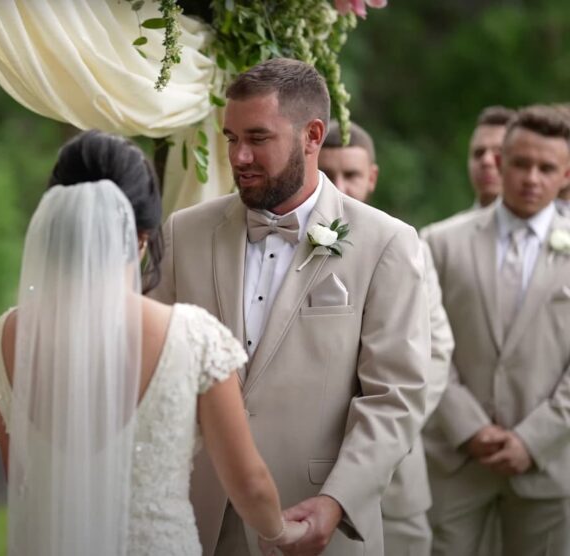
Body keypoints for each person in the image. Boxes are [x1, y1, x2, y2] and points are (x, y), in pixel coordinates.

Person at [0, 130, 308, 555]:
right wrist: (281, 532)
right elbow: (249, 483)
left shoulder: (4, 338)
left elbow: (19, 477)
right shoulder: (191, 337)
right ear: (142, 236)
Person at [150, 58, 431, 555]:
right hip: (198, 518)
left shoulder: (386, 243)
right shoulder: (185, 232)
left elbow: (395, 397)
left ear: (312, 135)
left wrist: (337, 501)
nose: (238, 157)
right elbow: (149, 365)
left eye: (258, 138)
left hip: (317, 519)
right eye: (231, 137)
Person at [421, 105, 570, 555]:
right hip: (456, 457)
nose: (531, 178)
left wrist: (533, 438)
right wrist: (467, 425)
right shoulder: (439, 242)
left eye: (546, 168)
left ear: (566, 174)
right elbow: (422, 343)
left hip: (549, 462)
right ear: (499, 163)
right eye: (521, 163)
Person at [320, 121, 453, 556]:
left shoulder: (407, 247)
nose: (341, 187)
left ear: (372, 177)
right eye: (329, 174)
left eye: (352, 175)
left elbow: (435, 351)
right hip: (303, 471)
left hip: (396, 478)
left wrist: (390, 428)